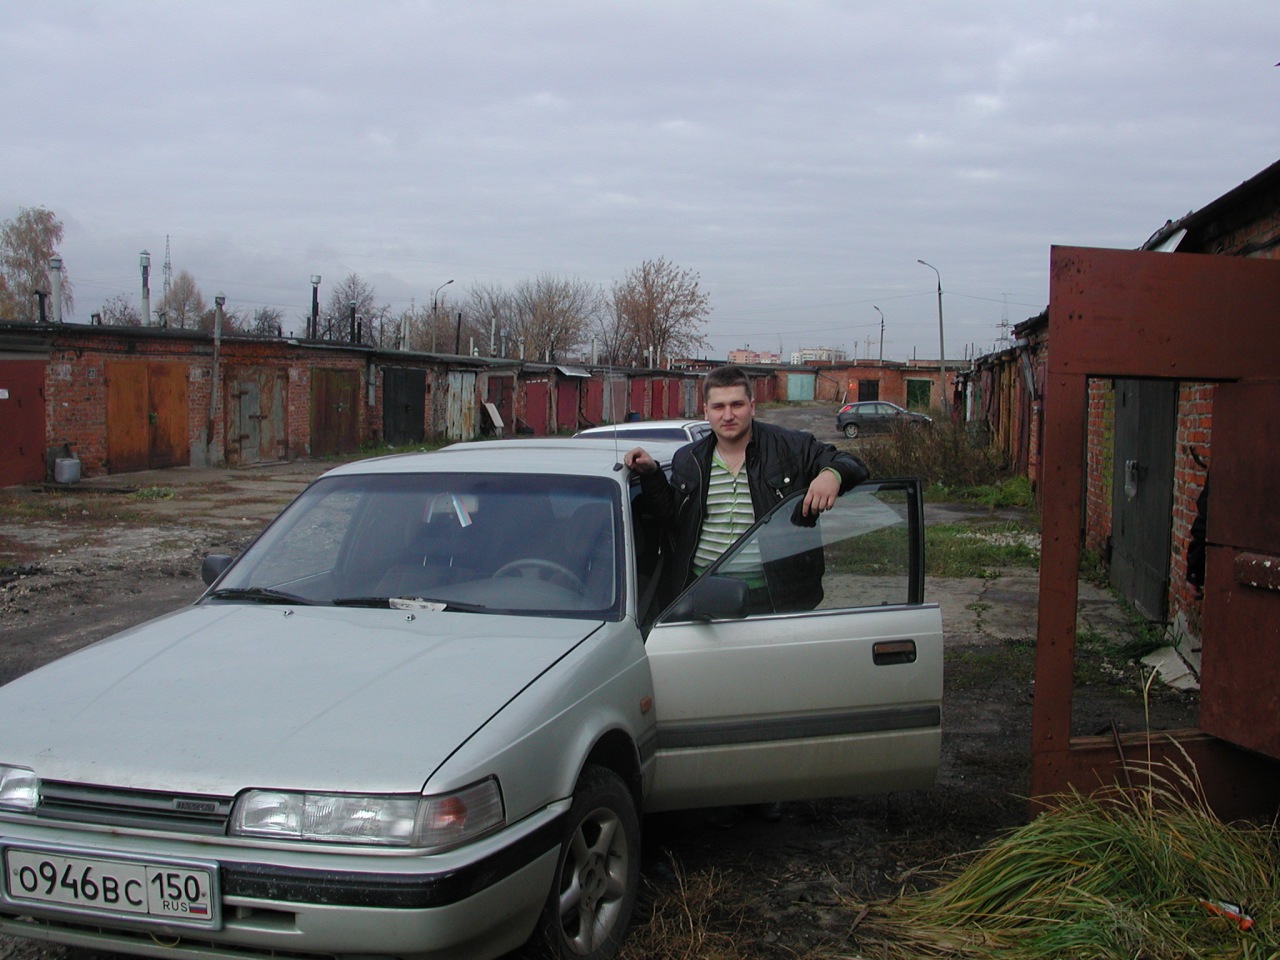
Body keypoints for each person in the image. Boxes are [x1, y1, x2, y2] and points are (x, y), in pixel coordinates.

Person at [624, 365, 869, 614]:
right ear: (706, 411)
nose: (728, 415)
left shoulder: (791, 447)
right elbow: (672, 520)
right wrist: (652, 474)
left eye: (737, 405)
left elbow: (852, 464)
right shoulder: (689, 459)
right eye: (718, 407)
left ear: (752, 406)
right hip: (701, 593)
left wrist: (831, 474)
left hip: (773, 598)